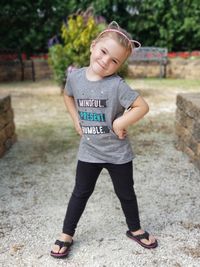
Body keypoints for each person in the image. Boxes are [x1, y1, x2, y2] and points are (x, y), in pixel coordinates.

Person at [50, 21, 158, 259]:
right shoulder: (76, 78)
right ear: (93, 46)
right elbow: (68, 96)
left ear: (120, 66)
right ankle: (67, 233)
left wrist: (120, 122)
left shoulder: (117, 85)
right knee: (80, 192)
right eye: (103, 52)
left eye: (114, 61)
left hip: (117, 154)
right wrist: (75, 118)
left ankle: (135, 229)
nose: (106, 61)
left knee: (126, 193)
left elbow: (142, 106)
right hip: (89, 151)